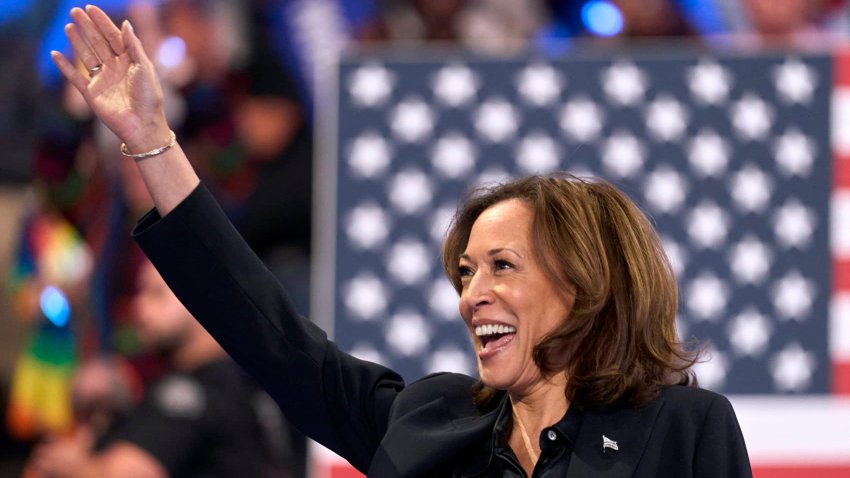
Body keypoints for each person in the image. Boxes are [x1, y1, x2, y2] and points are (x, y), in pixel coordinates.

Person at [51, 5, 753, 476]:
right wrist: (152, 144)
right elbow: (268, 333)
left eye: (501, 266)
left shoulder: (683, 430)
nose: (472, 296)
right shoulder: (432, 422)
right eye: (466, 273)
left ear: (585, 285)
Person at [27, 260, 285, 478]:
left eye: (156, 293)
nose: (139, 308)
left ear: (205, 300)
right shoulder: (250, 383)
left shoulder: (192, 393)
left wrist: (74, 467)